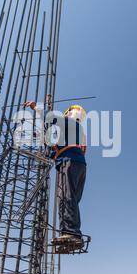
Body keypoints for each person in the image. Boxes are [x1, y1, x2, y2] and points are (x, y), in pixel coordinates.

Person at [24, 99, 87, 249]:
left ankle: (70, 233)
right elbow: (57, 148)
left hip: (68, 161)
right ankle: (72, 234)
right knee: (71, 198)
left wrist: (36, 107)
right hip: (78, 164)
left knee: (65, 196)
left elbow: (51, 118)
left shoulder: (70, 123)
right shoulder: (78, 130)